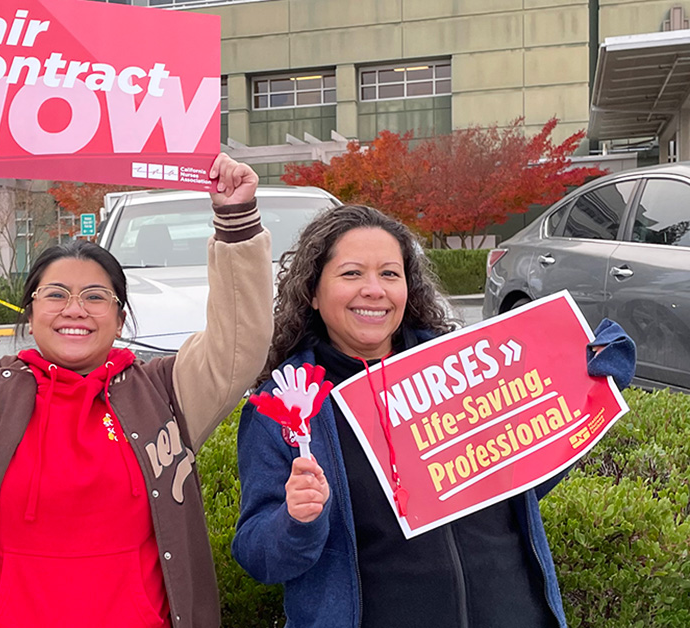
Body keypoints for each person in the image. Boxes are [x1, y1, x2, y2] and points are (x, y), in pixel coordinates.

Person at [0, 135, 272, 628]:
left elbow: (240, 343)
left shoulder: (166, 394)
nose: (74, 309)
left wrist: (235, 221)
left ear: (121, 317)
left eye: (95, 296)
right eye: (56, 294)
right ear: (31, 312)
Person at [231, 204, 637, 628]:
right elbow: (259, 558)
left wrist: (586, 394)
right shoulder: (287, 406)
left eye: (390, 274)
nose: (374, 290)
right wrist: (296, 522)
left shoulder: (468, 371)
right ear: (313, 292)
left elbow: (521, 488)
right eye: (351, 273)